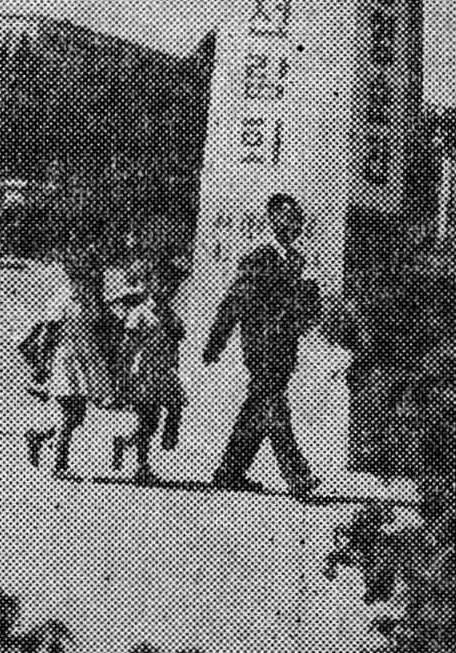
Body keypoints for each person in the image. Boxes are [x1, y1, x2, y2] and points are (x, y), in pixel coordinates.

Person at [204, 192, 322, 498]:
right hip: (262, 346)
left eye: (298, 217)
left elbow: (304, 306)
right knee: (273, 407)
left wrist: (308, 308)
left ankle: (229, 472)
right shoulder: (259, 257)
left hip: (285, 347)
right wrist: (216, 341)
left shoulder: (296, 260)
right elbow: (235, 301)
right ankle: (298, 476)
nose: (296, 222)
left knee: (257, 408)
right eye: (289, 216)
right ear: (273, 219)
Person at [24, 257, 114, 473]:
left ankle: (39, 437)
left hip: (86, 360)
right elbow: (47, 334)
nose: (90, 280)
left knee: (77, 416)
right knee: (68, 414)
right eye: (84, 276)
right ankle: (59, 464)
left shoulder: (90, 299)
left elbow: (99, 329)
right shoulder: (62, 299)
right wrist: (42, 365)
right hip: (67, 361)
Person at [112, 265, 186, 483]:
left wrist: (174, 365)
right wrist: (123, 375)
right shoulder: (139, 314)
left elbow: (177, 341)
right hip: (145, 373)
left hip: (166, 372)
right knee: (148, 421)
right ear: (151, 285)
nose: (168, 289)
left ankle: (130, 441)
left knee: (175, 405)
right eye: (162, 284)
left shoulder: (171, 315)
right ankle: (141, 466)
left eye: (173, 286)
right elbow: (127, 347)